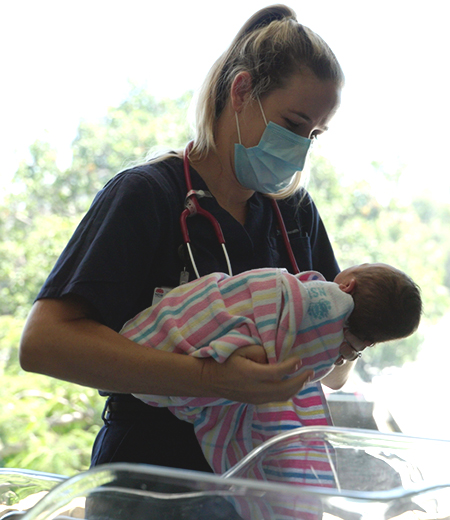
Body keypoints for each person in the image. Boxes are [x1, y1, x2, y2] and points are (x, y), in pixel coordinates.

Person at [20, 4, 352, 473]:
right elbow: (44, 343)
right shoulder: (148, 195)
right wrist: (210, 379)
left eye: (315, 134)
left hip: (264, 480)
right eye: (294, 125)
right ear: (241, 92)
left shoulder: (293, 213)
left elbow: (336, 374)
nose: (301, 148)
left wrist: (355, 328)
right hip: (151, 478)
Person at [118, 262, 421, 474]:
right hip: (144, 443)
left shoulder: (300, 224)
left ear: (347, 285)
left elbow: (334, 378)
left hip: (157, 376)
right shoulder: (146, 189)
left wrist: (345, 344)